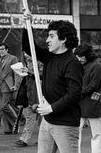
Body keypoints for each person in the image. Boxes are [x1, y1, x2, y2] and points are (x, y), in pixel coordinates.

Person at [22, 20, 83, 153]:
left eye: (51, 36)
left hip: (65, 124)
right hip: (47, 121)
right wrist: (27, 24)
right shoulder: (49, 56)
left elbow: (74, 94)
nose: (47, 40)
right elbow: (29, 47)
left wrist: (51, 108)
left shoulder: (72, 63)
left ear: (63, 39)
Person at [74, 43, 101, 153]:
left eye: (81, 56)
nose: (79, 59)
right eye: (78, 56)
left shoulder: (96, 66)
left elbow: (93, 85)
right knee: (76, 133)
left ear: (88, 55)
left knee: (96, 133)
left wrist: (76, 93)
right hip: (84, 103)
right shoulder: (85, 65)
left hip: (91, 103)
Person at [14, 51, 42, 147]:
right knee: (36, 118)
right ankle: (27, 139)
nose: (26, 55)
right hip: (31, 93)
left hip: (38, 93)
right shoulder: (27, 62)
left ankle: (25, 139)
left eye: (27, 53)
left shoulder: (39, 61)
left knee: (36, 117)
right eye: (25, 53)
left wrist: (29, 72)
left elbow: (42, 76)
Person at [0, 43, 19, 134]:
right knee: (3, 107)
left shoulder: (13, 58)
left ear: (7, 50)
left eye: (2, 49)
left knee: (3, 106)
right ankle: (8, 129)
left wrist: (16, 84)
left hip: (9, 85)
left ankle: (16, 123)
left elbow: (17, 72)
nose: (1, 51)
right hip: (0, 86)